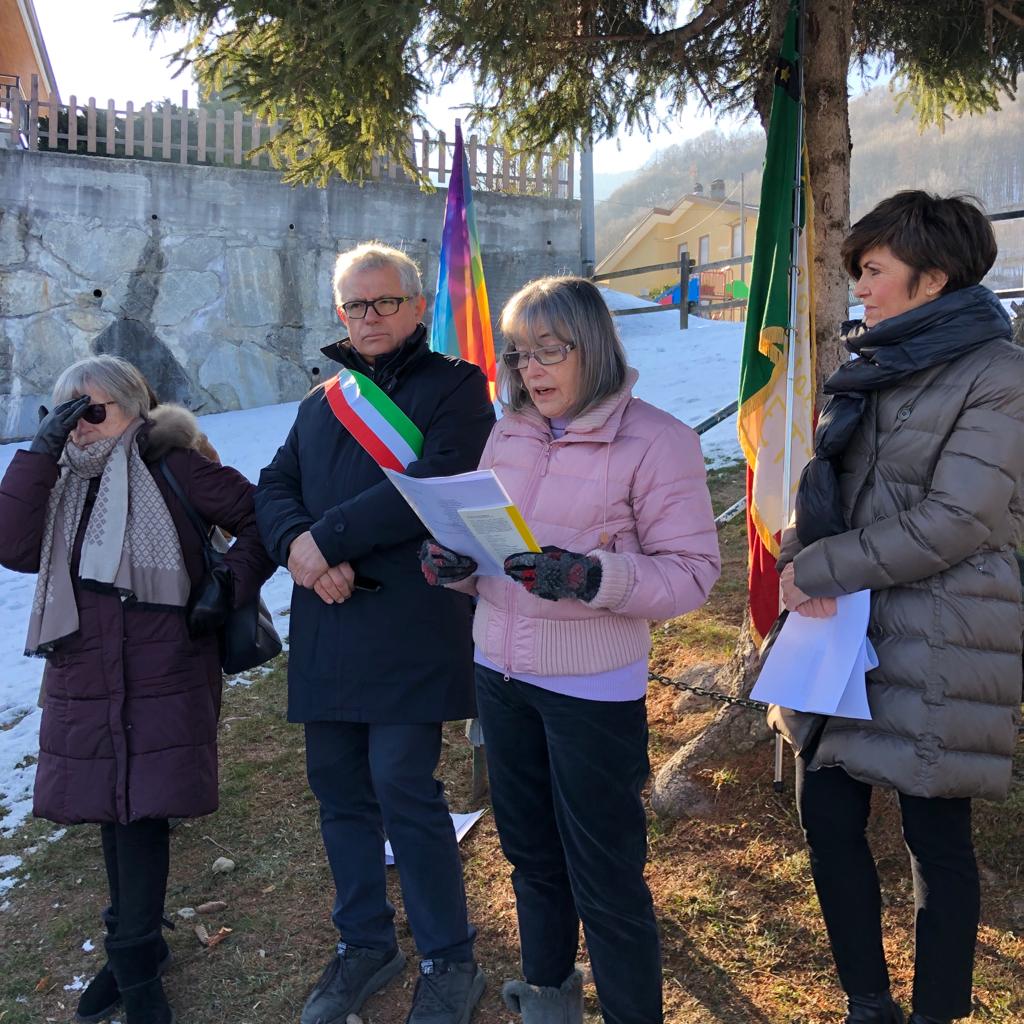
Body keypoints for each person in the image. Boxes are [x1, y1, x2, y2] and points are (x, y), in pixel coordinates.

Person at [419, 276, 721, 1024]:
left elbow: (692, 573)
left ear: (594, 347)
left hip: (591, 688)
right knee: (530, 854)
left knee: (606, 875)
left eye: (550, 351)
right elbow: (496, 548)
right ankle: (549, 997)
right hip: (500, 670)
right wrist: (457, 567)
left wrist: (592, 577)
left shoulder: (657, 440)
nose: (533, 370)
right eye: (521, 354)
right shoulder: (511, 431)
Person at [771, 192, 1024, 1024]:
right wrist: (799, 546)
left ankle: (935, 1012)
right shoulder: (873, 365)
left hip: (944, 633)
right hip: (844, 626)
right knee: (825, 815)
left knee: (935, 837)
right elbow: (833, 486)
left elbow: (959, 518)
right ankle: (868, 1003)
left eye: (874, 270)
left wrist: (820, 566)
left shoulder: (1000, 375)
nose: (861, 289)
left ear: (934, 277)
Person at [254, 243, 495, 1024]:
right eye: (356, 305)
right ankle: (364, 942)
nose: (370, 316)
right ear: (340, 314)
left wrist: (324, 541)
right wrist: (299, 548)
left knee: (402, 787)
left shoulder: (458, 386)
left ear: (417, 306)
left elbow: (435, 483)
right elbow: (274, 485)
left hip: (412, 623)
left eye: (386, 301)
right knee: (339, 791)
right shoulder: (323, 400)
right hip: (328, 624)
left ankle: (450, 956)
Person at [0, 355, 275, 1024]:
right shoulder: (60, 478)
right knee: (111, 810)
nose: (80, 426)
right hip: (83, 671)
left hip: (163, 669)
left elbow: (262, 518)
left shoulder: (173, 464)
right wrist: (38, 453)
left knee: (142, 815)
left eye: (94, 411)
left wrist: (226, 586)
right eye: (66, 413)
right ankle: (137, 952)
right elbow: (13, 546)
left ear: (134, 410)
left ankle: (134, 963)